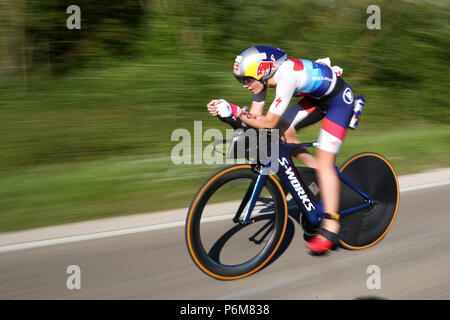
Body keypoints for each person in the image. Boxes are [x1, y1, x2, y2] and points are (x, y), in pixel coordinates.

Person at [207, 45, 363, 254]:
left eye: (247, 79)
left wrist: (236, 111)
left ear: (262, 71)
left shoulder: (286, 76)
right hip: (315, 99)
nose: (245, 85)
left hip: (338, 101)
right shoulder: (262, 83)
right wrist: (227, 116)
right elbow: (254, 122)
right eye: (241, 80)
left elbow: (268, 122)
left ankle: (331, 225)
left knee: (324, 159)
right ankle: (322, 175)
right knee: (283, 133)